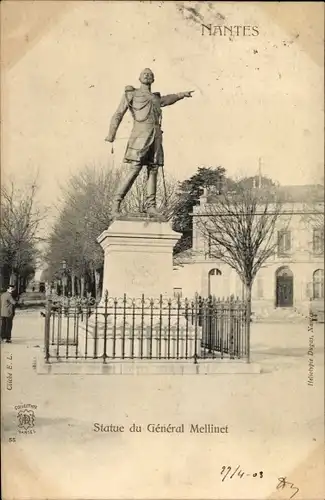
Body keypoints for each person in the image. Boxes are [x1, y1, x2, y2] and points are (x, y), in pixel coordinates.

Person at [105, 68, 194, 216]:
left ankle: (151, 206)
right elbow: (118, 114)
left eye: (150, 74)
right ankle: (116, 204)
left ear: (153, 79)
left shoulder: (155, 98)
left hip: (156, 135)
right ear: (139, 78)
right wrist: (111, 134)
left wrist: (181, 95)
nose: (147, 75)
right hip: (139, 135)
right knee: (135, 168)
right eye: (144, 74)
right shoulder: (131, 94)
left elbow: (167, 99)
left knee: (153, 169)